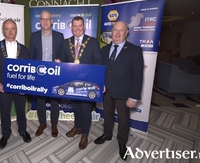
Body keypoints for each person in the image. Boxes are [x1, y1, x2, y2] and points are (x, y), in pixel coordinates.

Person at [94, 21, 144, 160]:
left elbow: (138, 75)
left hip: (124, 93)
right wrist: (100, 84)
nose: (117, 33)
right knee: (107, 114)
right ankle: (107, 134)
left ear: (126, 33)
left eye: (121, 30)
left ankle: (122, 143)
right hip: (107, 91)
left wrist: (133, 97)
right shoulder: (104, 49)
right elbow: (102, 70)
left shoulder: (135, 50)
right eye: (115, 30)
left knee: (123, 120)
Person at [0, 19, 31, 149]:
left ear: (16, 30)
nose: (10, 31)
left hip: (19, 88)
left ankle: (22, 130)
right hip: (3, 87)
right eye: (7, 28)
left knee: (21, 111)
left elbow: (29, 69)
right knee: (5, 112)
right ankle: (5, 134)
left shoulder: (24, 49)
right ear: (3, 30)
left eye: (13, 28)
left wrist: (25, 86)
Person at [58, 16, 101, 150]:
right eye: (74, 26)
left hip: (87, 83)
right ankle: (77, 127)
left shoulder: (93, 42)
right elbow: (64, 60)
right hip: (72, 82)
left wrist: (91, 77)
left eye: (80, 26)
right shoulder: (66, 42)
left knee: (85, 109)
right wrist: (60, 63)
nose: (77, 29)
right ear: (71, 28)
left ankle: (85, 134)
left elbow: (98, 62)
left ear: (84, 27)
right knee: (75, 106)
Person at [30, 10, 64, 137]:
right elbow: (32, 57)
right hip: (39, 74)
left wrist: (60, 61)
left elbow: (62, 54)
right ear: (40, 21)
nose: (45, 21)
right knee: (40, 101)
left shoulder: (59, 36)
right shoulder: (33, 36)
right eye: (42, 19)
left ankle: (54, 124)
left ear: (51, 21)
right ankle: (42, 123)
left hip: (54, 74)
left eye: (47, 19)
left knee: (55, 101)